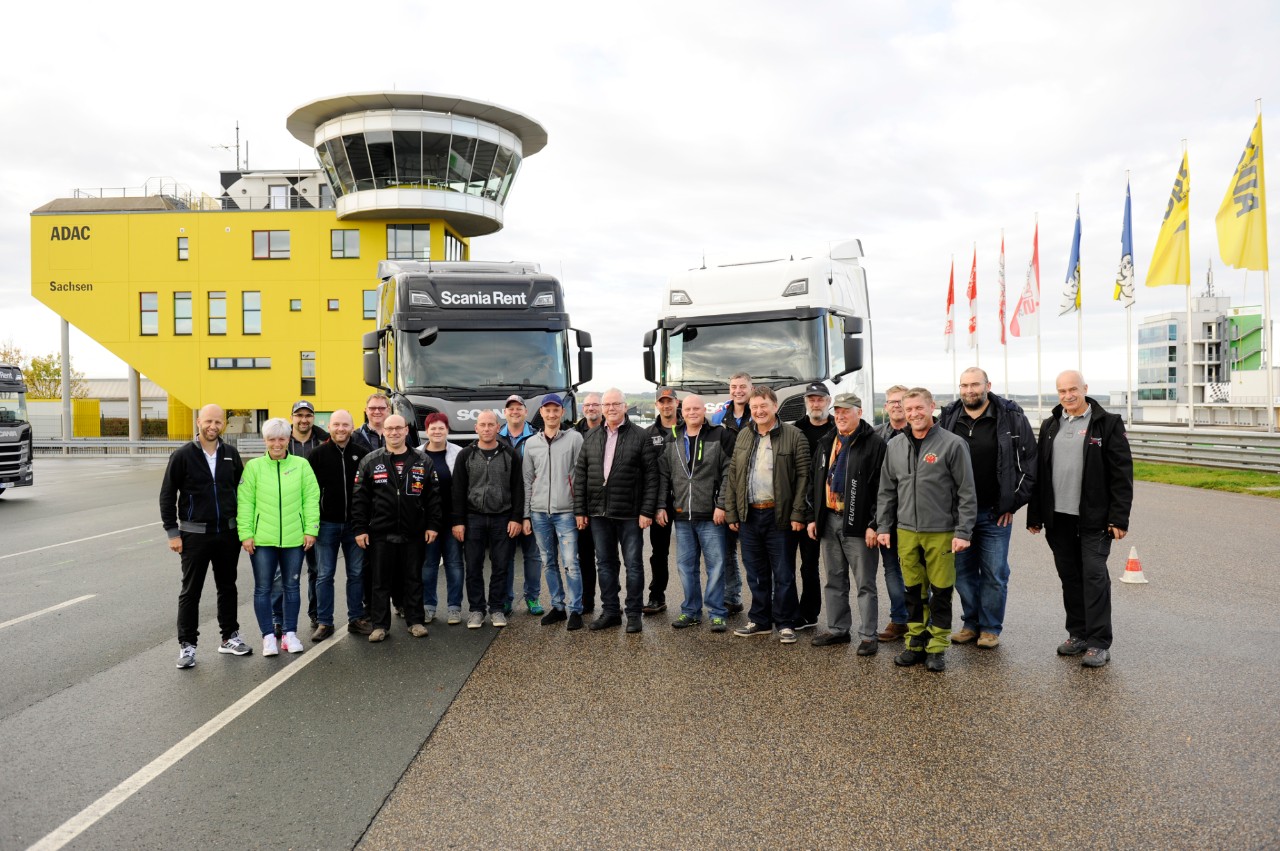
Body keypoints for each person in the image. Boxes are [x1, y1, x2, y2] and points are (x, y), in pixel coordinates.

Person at [1027, 371, 1133, 669]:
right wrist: (1035, 515)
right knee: (1070, 577)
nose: (1067, 395)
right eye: (1062, 390)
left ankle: (1099, 642)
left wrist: (1119, 518)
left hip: (1094, 520)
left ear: (1085, 388)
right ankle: (1078, 634)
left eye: (1073, 389)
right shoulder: (1050, 425)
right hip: (1058, 518)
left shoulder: (1107, 423)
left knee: (1094, 576)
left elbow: (1122, 474)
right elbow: (1040, 473)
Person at [876, 388, 976, 673]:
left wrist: (963, 531)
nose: (914, 414)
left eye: (919, 408)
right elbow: (886, 491)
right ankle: (916, 641)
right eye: (909, 410)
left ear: (931, 407)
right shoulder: (895, 446)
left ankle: (937, 647)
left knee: (941, 591)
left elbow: (967, 492)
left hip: (942, 531)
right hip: (906, 531)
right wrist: (884, 526)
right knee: (913, 590)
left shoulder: (952, 444)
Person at [937, 367, 1037, 649]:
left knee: (994, 573)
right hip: (957, 516)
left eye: (975, 385)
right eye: (964, 385)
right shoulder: (949, 417)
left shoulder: (1011, 417)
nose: (969, 390)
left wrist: (1012, 503)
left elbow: (1029, 465)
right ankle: (971, 623)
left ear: (988, 385)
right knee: (963, 572)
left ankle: (990, 627)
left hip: (995, 513)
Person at [160, 404, 252, 669]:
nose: (213, 426)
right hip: (194, 536)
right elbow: (167, 495)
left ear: (223, 424)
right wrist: (172, 532)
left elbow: (242, 493)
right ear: (199, 421)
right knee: (191, 591)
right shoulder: (182, 455)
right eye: (208, 421)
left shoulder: (230, 454)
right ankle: (187, 646)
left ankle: (229, 637)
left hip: (227, 534)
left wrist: (243, 530)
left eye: (218, 422)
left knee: (228, 586)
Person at [724, 386, 811, 644]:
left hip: (780, 516)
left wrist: (798, 513)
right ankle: (760, 620)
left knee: (783, 573)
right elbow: (733, 477)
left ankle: (785, 623)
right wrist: (732, 513)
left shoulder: (795, 436)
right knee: (756, 573)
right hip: (749, 515)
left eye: (764, 406)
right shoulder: (743, 436)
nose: (759, 411)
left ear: (775, 406)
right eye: (754, 407)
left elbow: (804, 479)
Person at [573, 387, 657, 633]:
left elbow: (652, 477)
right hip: (599, 513)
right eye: (606, 404)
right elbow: (581, 476)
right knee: (605, 564)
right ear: (602, 408)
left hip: (630, 514)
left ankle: (633, 614)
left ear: (624, 406)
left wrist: (647, 511)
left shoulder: (641, 436)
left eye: (615, 404)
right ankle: (611, 611)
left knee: (633, 564)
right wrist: (581, 510)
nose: (610, 408)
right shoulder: (590, 437)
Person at [807, 393, 886, 655]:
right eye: (837, 411)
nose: (840, 416)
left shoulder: (874, 444)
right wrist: (812, 517)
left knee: (865, 582)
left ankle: (868, 636)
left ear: (859, 412)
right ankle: (839, 629)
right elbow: (815, 482)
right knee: (834, 579)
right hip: (829, 519)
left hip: (860, 524)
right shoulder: (827, 441)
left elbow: (881, 489)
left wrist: (874, 524)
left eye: (846, 411)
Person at [350, 414, 440, 643]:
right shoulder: (371, 461)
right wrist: (360, 528)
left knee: (413, 578)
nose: (394, 433)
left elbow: (433, 498)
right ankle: (380, 625)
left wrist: (432, 525)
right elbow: (359, 499)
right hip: (380, 532)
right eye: (389, 429)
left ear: (406, 430)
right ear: (384, 432)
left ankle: (415, 621)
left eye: (398, 428)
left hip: (414, 531)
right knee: (380, 581)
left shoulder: (422, 460)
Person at [238, 417, 321, 656]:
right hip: (262, 540)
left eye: (281, 438)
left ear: (288, 440)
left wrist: (310, 529)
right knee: (263, 588)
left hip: (295, 539)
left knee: (292, 586)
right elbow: (245, 503)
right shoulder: (253, 467)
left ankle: (290, 634)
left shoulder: (302, 465)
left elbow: (311, 499)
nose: (277, 443)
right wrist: (246, 534)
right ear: (265, 441)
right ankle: (267, 637)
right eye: (271, 439)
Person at [655, 394, 730, 632]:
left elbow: (729, 472)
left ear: (703, 410)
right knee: (686, 567)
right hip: (682, 515)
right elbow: (663, 476)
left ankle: (717, 613)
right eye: (688, 408)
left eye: (696, 408)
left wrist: (722, 504)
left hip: (711, 515)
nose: (692, 412)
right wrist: (659, 506)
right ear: (681, 410)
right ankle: (691, 611)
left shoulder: (719, 435)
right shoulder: (672, 438)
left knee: (716, 565)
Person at [451, 411, 523, 629]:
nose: (486, 428)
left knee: (501, 565)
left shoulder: (510, 454)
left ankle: (497, 609)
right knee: (473, 566)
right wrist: (458, 521)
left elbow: (518, 489)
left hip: (503, 518)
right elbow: (458, 490)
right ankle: (476, 610)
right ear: (476, 428)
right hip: (473, 518)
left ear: (497, 427)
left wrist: (516, 518)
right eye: (482, 425)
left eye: (491, 424)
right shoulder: (465, 455)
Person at [522, 395, 586, 630]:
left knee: (571, 562)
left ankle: (575, 609)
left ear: (561, 412)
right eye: (547, 410)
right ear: (542, 412)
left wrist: (580, 510)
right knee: (548, 562)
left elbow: (580, 478)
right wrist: (526, 515)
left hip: (566, 511)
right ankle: (558, 606)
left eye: (555, 410)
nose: (551, 414)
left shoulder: (574, 438)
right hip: (539, 513)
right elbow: (527, 480)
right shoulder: (531, 443)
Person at [308, 409, 371, 639]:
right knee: (324, 575)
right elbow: (310, 494)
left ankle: (356, 618)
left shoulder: (363, 454)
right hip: (326, 525)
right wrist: (311, 526)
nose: (341, 429)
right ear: (330, 426)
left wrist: (364, 523)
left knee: (356, 574)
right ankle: (325, 622)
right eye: (336, 425)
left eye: (345, 425)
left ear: (352, 427)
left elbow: (367, 493)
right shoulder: (317, 455)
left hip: (355, 525)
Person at [279, 400, 328, 634]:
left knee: (317, 570)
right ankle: (279, 619)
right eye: (299, 415)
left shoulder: (323, 441)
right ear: (292, 417)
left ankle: (316, 614)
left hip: (315, 515)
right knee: (284, 573)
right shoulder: (280, 442)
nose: (304, 419)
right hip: (286, 516)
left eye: (308, 415)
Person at [790, 381, 835, 630]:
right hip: (796, 505)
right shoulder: (796, 429)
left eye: (820, 399)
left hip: (822, 507)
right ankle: (788, 610)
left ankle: (809, 613)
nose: (815, 403)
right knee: (786, 565)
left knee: (810, 565)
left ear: (828, 401)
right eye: (811, 399)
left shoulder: (836, 429)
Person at [710, 372, 753, 615]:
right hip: (726, 490)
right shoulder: (718, 417)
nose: (737, 390)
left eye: (742, 386)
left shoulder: (757, 413)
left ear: (751, 388)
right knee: (726, 551)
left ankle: (761, 602)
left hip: (750, 491)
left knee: (751, 553)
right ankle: (732, 597)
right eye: (734, 386)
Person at [498, 395, 544, 616]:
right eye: (510, 409)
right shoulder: (496, 438)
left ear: (526, 412)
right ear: (504, 413)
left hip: (532, 505)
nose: (514, 411)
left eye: (519, 408)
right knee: (506, 556)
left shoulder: (537, 437)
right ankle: (506, 599)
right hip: (505, 507)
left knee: (533, 555)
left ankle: (533, 598)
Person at [874, 385, 912, 642]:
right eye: (890, 402)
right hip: (886, 514)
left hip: (914, 514)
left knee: (917, 571)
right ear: (885, 407)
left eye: (900, 401)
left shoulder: (921, 434)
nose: (895, 406)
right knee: (891, 569)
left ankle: (922, 620)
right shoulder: (876, 436)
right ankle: (899, 620)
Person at [420, 413, 465, 625]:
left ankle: (454, 608)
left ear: (447, 430)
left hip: (452, 520)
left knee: (454, 564)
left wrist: (459, 520)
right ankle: (428, 607)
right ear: (426, 431)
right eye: (433, 428)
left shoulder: (458, 453)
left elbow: (462, 489)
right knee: (428, 565)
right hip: (428, 523)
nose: (437, 432)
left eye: (441, 428)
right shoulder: (416, 454)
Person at [642, 386, 682, 615]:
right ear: (657, 404)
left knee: (693, 553)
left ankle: (697, 602)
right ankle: (657, 595)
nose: (666, 405)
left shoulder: (689, 428)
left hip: (687, 499)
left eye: (670, 401)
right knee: (659, 552)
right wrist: (654, 505)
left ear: (677, 403)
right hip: (661, 502)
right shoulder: (648, 434)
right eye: (662, 402)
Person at [573, 392, 603, 613]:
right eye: (588, 404)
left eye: (595, 404)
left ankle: (610, 602)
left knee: (607, 557)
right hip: (582, 502)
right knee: (584, 556)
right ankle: (587, 600)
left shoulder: (610, 430)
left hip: (606, 505)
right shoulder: (573, 433)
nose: (591, 408)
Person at [355, 393, 420, 451]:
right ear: (366, 410)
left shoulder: (402, 434)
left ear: (388, 410)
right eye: (372, 408)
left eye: (381, 408)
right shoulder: (356, 436)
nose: (377, 411)